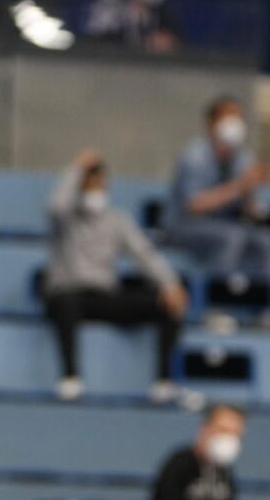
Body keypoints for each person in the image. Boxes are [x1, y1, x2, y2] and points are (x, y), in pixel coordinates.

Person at [44, 148, 189, 402]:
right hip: (68, 295)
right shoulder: (66, 218)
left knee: (167, 304)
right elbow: (55, 205)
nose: (95, 192)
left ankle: (164, 382)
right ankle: (70, 378)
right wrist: (77, 168)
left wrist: (170, 283)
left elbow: (144, 253)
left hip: (104, 296)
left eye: (100, 186)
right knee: (66, 302)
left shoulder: (117, 220)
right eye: (89, 186)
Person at [165, 96, 270, 296]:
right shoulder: (194, 155)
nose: (235, 122)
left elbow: (248, 211)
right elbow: (195, 205)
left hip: (227, 225)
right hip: (185, 226)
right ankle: (217, 300)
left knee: (266, 240)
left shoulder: (244, 158)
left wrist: (252, 189)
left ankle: (262, 304)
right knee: (231, 237)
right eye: (229, 116)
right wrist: (240, 185)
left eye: (238, 117)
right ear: (211, 123)